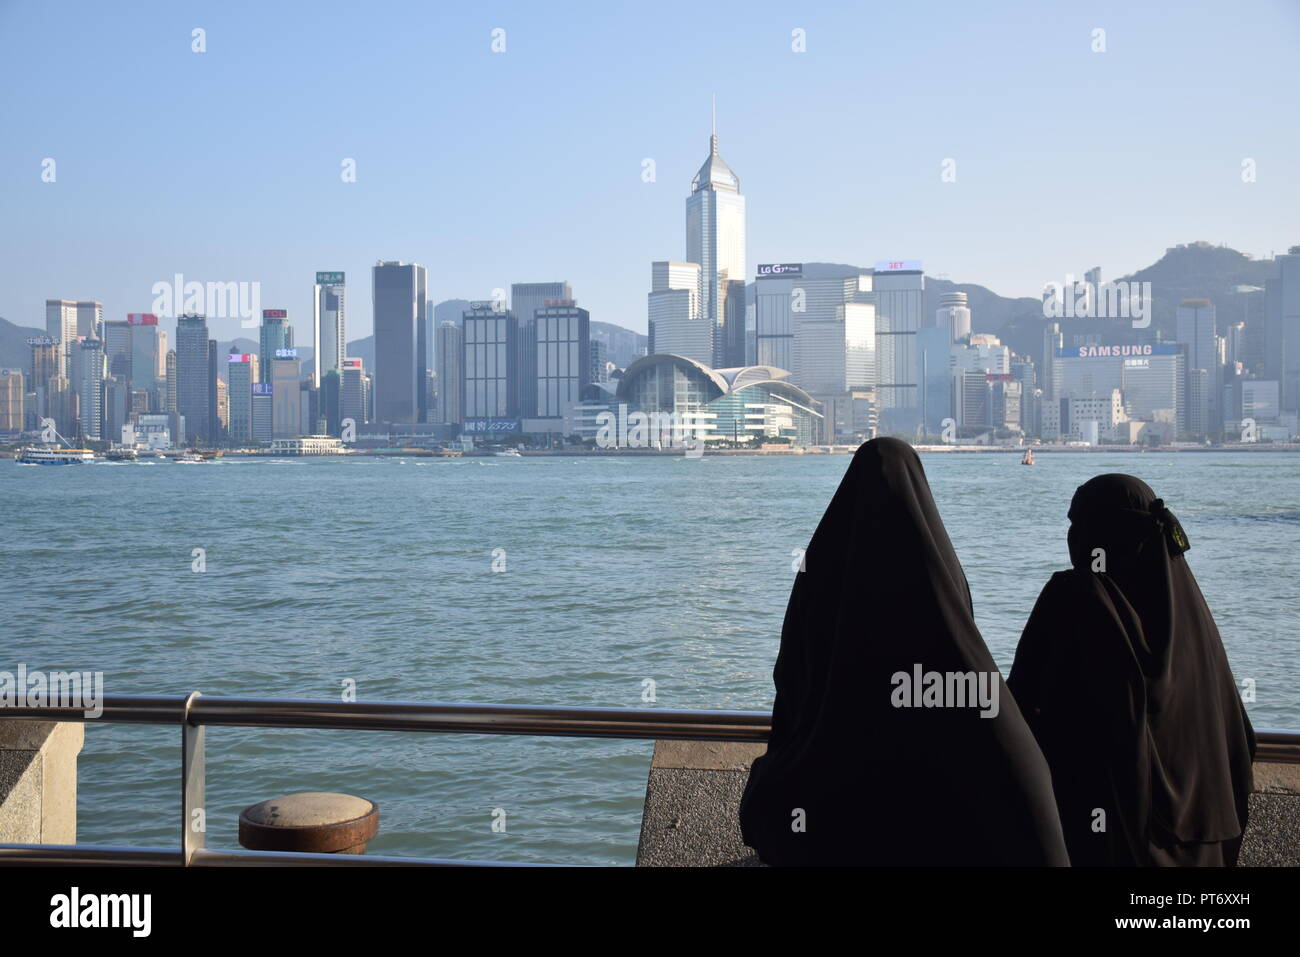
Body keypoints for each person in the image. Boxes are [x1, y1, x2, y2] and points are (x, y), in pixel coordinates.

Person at [738, 438, 1069, 866]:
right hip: (944, 797)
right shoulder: (940, 571)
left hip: (829, 794)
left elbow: (793, 681)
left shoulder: (822, 567)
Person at [1008, 474, 1255, 866]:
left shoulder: (1075, 599)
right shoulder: (1196, 624)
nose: (1072, 537)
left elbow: (1018, 714)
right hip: (1206, 844)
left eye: (1078, 525)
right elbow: (1238, 740)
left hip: (1106, 842)